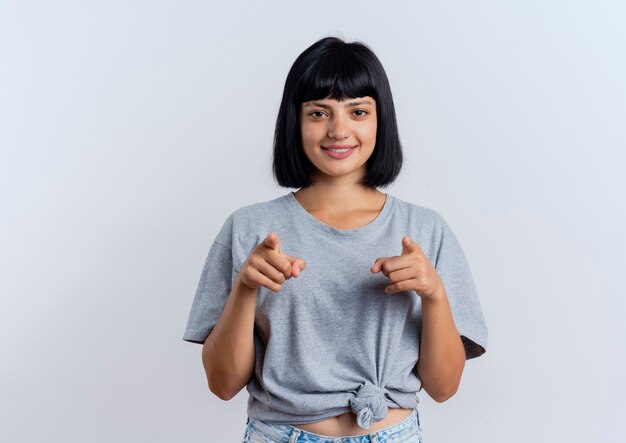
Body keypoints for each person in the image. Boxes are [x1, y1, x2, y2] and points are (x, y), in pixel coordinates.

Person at [183, 36, 488, 443]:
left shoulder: (426, 230)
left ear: (381, 120)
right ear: (295, 120)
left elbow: (444, 387)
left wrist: (434, 294)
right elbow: (222, 384)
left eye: (358, 111)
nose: (338, 130)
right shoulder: (249, 228)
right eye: (318, 113)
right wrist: (245, 288)